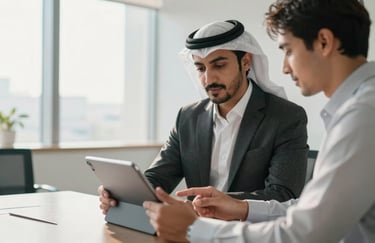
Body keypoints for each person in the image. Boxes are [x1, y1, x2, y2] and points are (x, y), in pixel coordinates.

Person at [142, 0, 375, 242]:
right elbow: (310, 208)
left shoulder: (363, 114)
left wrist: (194, 230)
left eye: (288, 50)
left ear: (324, 42)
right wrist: (242, 207)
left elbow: (305, 232)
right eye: (200, 68)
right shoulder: (358, 108)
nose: (284, 68)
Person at [99, 19, 309, 213]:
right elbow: (158, 177)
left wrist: (215, 203)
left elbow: (283, 195)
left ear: (245, 62)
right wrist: (124, 194)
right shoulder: (188, 117)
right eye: (200, 68)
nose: (209, 78)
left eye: (219, 65)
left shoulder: (286, 117)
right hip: (194, 230)